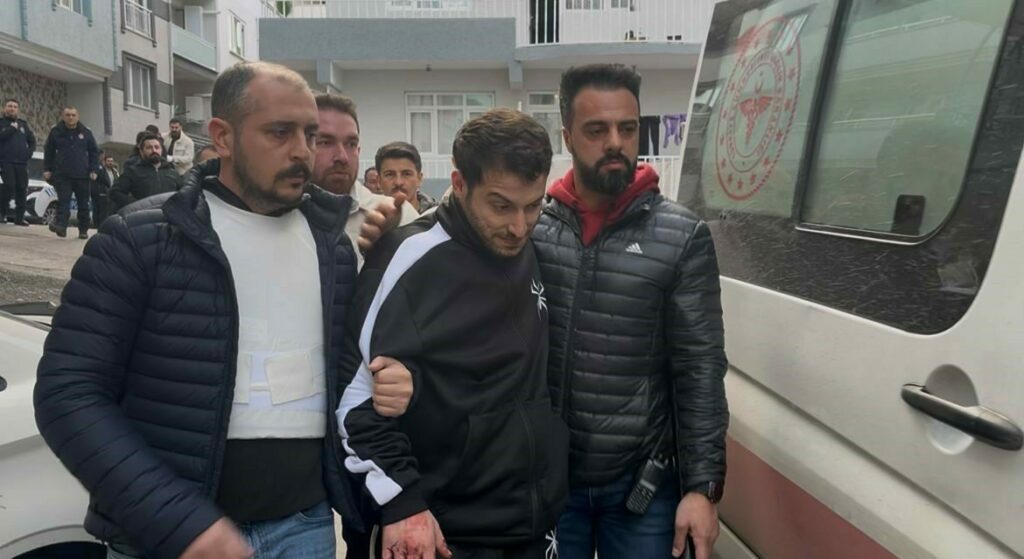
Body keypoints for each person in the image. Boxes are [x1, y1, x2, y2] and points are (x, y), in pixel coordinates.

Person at [34, 61, 399, 559]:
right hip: (171, 540)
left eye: (309, 134)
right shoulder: (142, 237)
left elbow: (344, 377)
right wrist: (180, 524)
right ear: (223, 137)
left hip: (303, 528)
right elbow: (68, 393)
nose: (302, 150)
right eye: (280, 132)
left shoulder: (331, 246)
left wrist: (392, 377)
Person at [338, 108, 567, 559]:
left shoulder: (532, 246)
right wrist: (403, 502)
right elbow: (353, 402)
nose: (519, 226)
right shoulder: (408, 258)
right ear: (459, 184)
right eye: (501, 205)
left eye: (533, 205)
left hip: (535, 527)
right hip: (444, 533)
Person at [533, 64, 728, 559]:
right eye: (596, 130)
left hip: (642, 486)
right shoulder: (534, 228)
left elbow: (700, 368)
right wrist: (394, 230)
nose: (615, 143)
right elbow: (461, 230)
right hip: (550, 481)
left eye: (627, 127)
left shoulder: (681, 236)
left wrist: (701, 488)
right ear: (567, 136)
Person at [312, 94, 418, 270]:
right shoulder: (279, 218)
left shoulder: (400, 218)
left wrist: (388, 248)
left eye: (351, 144)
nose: (342, 157)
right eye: (325, 142)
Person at [43, 106, 98, 239]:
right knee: (63, 202)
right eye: (68, 115)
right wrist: (47, 169)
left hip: (82, 174)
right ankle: (61, 226)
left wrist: (93, 169)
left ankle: (83, 230)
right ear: (63, 116)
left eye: (73, 115)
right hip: (63, 174)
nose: (71, 118)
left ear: (77, 116)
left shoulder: (86, 132)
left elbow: (93, 152)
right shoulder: (56, 132)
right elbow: (49, 151)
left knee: (83, 204)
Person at [109, 132, 183, 210]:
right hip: (145, 215)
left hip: (168, 215)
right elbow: (115, 192)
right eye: (149, 148)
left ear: (161, 150)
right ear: (141, 151)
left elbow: (183, 194)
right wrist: (136, 205)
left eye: (157, 147)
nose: (154, 150)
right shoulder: (133, 171)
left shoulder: (172, 172)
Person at [0, 98, 36, 226]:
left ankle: (19, 218)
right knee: (9, 187)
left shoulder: (23, 124)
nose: (12, 109)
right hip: (6, 162)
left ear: (18, 109)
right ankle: (2, 213)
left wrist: (28, 153)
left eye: (15, 107)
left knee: (22, 189)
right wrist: (11, 129)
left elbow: (32, 141)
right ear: (5, 108)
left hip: (21, 163)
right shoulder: (2, 123)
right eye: (10, 106)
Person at [375, 141, 437, 213]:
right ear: (379, 181)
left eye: (407, 174)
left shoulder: (440, 217)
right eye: (390, 174)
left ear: (419, 179)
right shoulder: (367, 217)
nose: (398, 182)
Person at [90, 152, 118, 228]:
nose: (110, 163)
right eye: (108, 161)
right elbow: (95, 180)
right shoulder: (100, 170)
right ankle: (98, 226)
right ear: (105, 162)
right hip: (101, 194)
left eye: (111, 161)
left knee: (110, 212)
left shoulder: (115, 171)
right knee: (100, 211)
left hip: (112, 195)